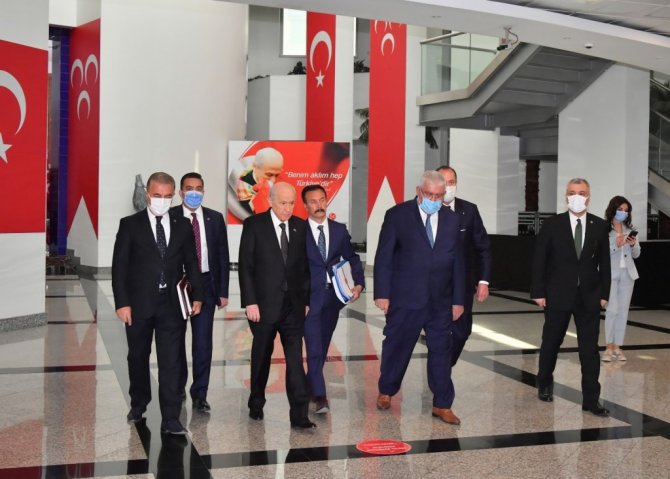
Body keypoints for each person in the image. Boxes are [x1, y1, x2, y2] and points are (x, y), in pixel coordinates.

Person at [112, 172, 203, 435]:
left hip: (171, 304)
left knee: (171, 360)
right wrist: (122, 303)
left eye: (167, 196)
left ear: (174, 196)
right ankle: (138, 403)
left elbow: (192, 262)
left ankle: (171, 418)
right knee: (137, 356)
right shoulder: (130, 225)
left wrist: (197, 295)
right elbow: (120, 267)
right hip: (138, 304)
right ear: (147, 195)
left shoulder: (182, 225)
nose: (162, 200)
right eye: (157, 195)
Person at [373, 171, 465, 425]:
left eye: (439, 196)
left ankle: (442, 403)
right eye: (429, 195)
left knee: (441, 351)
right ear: (419, 191)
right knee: (397, 347)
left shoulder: (451, 219)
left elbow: (458, 262)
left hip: (440, 300)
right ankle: (386, 390)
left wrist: (458, 300)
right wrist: (382, 293)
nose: (434, 200)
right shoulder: (397, 215)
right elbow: (384, 257)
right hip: (405, 298)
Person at [531, 178, 611, 417]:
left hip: (589, 296)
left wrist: (604, 294)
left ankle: (591, 399)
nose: (577, 196)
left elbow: (605, 263)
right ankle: (544, 383)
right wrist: (538, 291)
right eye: (573, 192)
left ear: (589, 197)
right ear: (566, 196)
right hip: (557, 294)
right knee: (551, 342)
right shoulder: (552, 224)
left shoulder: (599, 225)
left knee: (589, 350)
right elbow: (540, 259)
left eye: (582, 193)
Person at [238, 182, 315, 429]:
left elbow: (305, 269)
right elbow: (246, 266)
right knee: (261, 357)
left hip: (293, 307)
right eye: (283, 203)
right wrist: (250, 302)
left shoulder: (301, 226)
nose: (287, 208)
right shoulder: (254, 225)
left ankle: (300, 415)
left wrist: (305, 301)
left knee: (295, 361)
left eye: (291, 203)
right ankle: (256, 402)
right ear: (270, 201)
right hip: (263, 306)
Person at [301, 184, 365, 414]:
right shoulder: (299, 231)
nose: (319, 205)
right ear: (305, 205)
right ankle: (320, 396)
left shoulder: (339, 230)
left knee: (322, 344)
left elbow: (351, 257)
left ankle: (309, 384)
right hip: (309, 299)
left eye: (322, 200)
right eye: (313, 201)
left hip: (333, 297)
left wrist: (359, 283)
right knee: (313, 347)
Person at [172, 172, 230, 412]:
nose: (194, 193)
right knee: (175, 341)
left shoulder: (214, 219)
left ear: (204, 191)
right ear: (180, 192)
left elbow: (222, 256)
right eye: (189, 188)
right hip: (178, 285)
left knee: (203, 342)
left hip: (206, 285)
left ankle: (200, 393)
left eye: (198, 188)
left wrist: (223, 291)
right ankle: (177, 388)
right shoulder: (171, 216)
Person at [437, 166, 491, 366]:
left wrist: (483, 280)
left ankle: (443, 367)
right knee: (437, 332)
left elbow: (483, 247)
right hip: (434, 284)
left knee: (461, 332)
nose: (448, 187)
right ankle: (440, 374)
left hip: (463, 284)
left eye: (451, 182)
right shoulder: (425, 210)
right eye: (444, 182)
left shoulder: (469, 210)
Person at [602, 196, 641, 362]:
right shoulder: (604, 229)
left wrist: (632, 244)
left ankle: (618, 346)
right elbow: (601, 254)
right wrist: (616, 245)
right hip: (610, 274)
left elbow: (637, 254)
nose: (623, 213)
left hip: (628, 274)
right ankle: (608, 347)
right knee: (612, 310)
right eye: (620, 209)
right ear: (613, 209)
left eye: (626, 210)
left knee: (623, 311)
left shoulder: (630, 229)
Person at [236, 147, 284, 215]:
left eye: (277, 175)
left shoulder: (279, 183)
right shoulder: (243, 186)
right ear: (254, 167)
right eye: (269, 175)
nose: (273, 181)